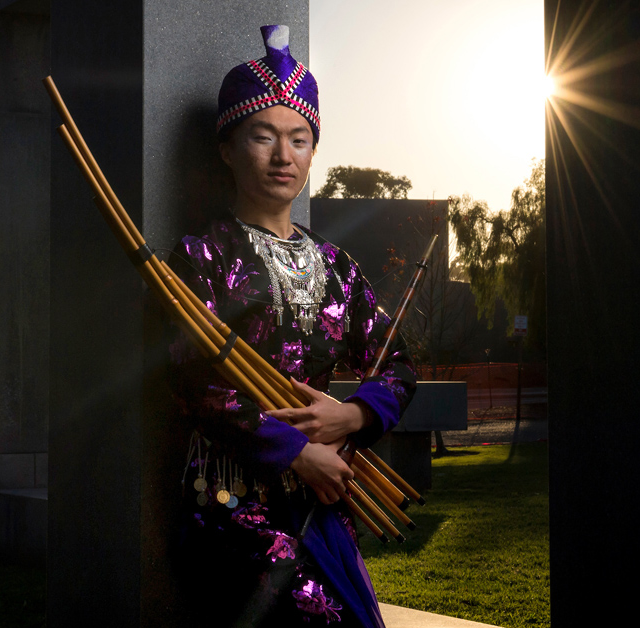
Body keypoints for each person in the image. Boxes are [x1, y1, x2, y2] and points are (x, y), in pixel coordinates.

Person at [168, 25, 417, 628]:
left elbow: (399, 362)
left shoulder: (336, 266)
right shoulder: (201, 257)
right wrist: (295, 448)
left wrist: (353, 415)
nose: (284, 156)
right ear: (228, 148)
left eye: (299, 139)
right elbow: (193, 380)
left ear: (312, 152)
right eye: (264, 136)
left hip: (321, 497)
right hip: (231, 504)